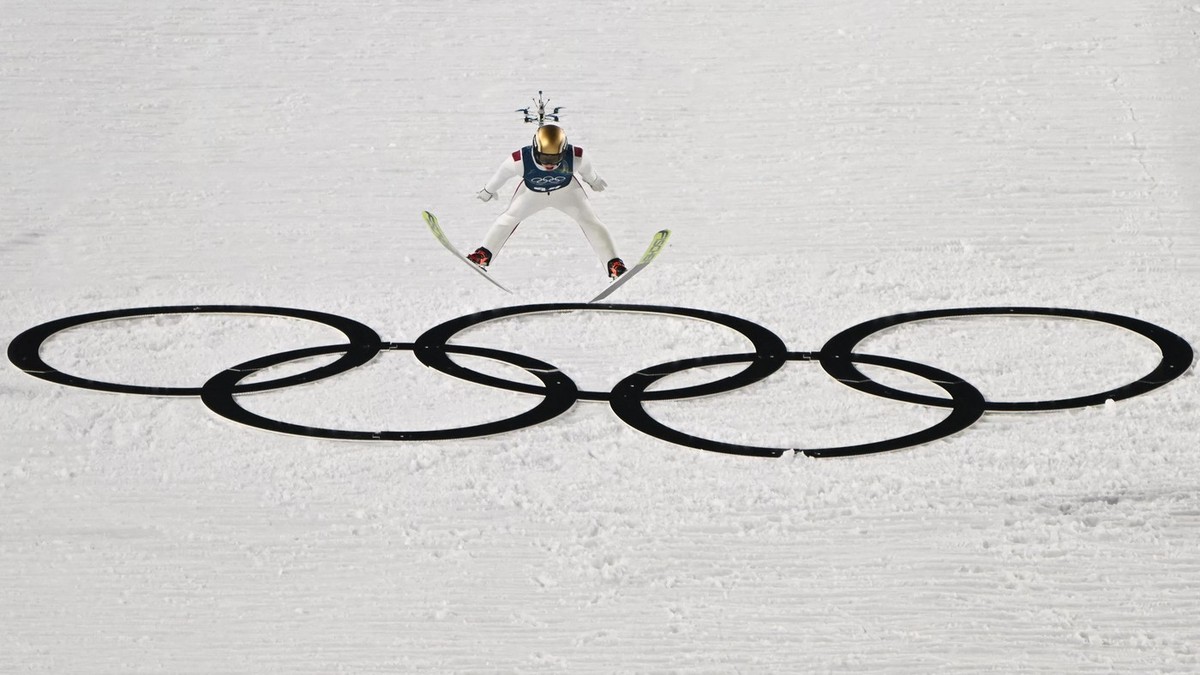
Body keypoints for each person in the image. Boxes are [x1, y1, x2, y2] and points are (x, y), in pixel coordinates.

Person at [469, 124, 626, 279]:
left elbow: (588, 171)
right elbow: (501, 175)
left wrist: (594, 180)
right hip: (532, 195)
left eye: (556, 158)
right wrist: (488, 190)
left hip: (566, 193)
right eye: (544, 158)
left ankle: (613, 263)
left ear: (564, 151)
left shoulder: (576, 156)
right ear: (535, 150)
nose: (549, 164)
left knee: (590, 221)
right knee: (508, 218)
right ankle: (484, 254)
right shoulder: (519, 160)